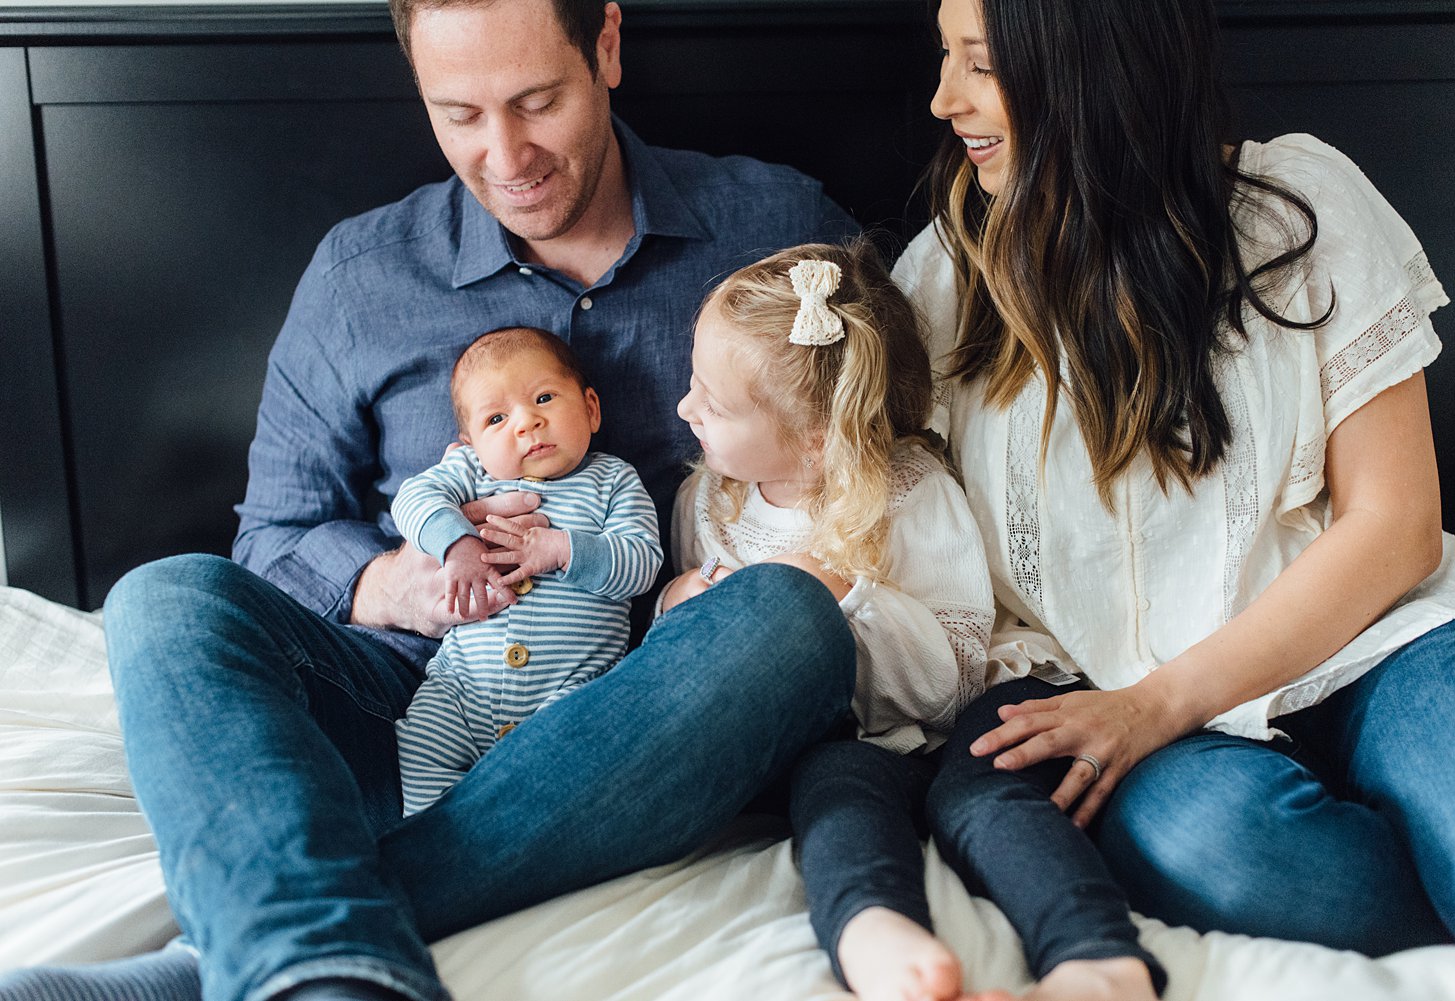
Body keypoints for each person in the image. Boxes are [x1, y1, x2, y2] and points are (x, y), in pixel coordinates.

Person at [0, 1, 859, 999]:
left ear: (608, 48)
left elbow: (899, 452)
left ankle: (270, 956)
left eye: (537, 102)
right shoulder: (361, 277)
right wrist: (399, 582)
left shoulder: (775, 233)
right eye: (460, 115)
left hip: (650, 712)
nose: (507, 156)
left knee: (794, 620)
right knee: (163, 599)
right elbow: (269, 539)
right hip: (410, 706)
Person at [895, 0, 1455, 963]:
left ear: (1093, 69)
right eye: (943, 58)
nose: (941, 98)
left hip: (1377, 649)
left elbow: (1398, 527)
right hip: (1138, 717)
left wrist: (1161, 701)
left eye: (978, 63)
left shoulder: (1298, 205)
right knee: (1220, 847)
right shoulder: (942, 281)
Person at [662, 241, 1166, 1001]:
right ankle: (879, 937)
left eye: (713, 401)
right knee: (833, 795)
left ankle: (1097, 960)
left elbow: (949, 676)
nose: (683, 408)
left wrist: (836, 589)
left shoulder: (911, 491)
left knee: (984, 796)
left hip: (970, 702)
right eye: (695, 383)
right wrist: (681, 602)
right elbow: (687, 648)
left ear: (816, 438)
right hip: (850, 742)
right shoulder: (712, 499)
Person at [391, 327, 661, 814]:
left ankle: (513, 838)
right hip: (461, 687)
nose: (527, 422)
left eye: (544, 398)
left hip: (572, 688)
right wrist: (458, 545)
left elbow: (642, 565)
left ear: (591, 409)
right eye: (497, 417)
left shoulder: (613, 480)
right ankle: (432, 841)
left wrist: (563, 549)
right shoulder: (471, 474)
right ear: (470, 443)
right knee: (419, 749)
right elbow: (411, 499)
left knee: (566, 766)